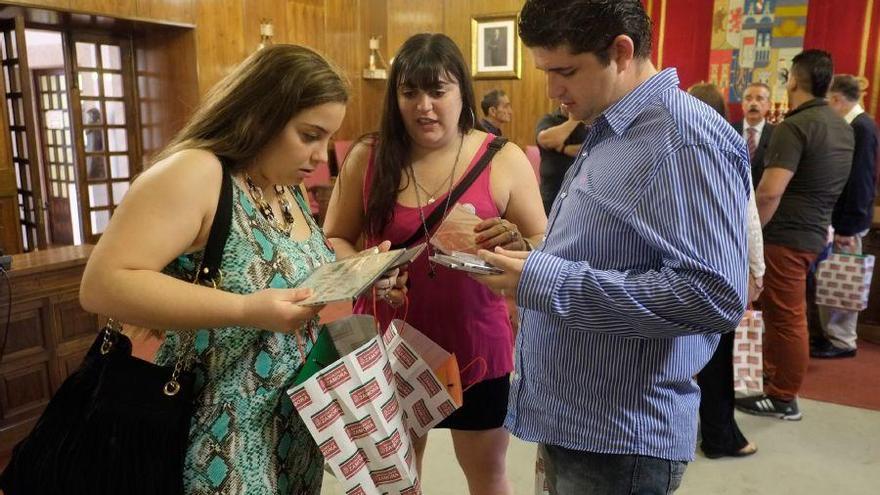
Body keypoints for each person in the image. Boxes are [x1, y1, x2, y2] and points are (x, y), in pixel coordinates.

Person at [473, 1, 749, 493]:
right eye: (546, 71)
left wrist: (544, 279)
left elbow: (714, 296)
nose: (553, 90)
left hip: (621, 437)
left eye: (565, 71)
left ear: (621, 51)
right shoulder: (610, 126)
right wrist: (533, 258)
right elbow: (614, 250)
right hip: (577, 421)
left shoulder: (682, 139)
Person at [79, 45, 353, 494]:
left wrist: (356, 274)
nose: (322, 155)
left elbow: (284, 275)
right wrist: (245, 310)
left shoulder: (285, 186)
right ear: (261, 115)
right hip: (217, 428)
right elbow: (103, 285)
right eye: (309, 135)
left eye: (327, 138)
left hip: (288, 426)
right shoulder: (197, 173)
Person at [323, 33, 546, 495]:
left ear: (461, 91)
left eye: (437, 91)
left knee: (488, 476)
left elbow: (543, 240)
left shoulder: (502, 157)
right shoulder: (369, 156)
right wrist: (368, 269)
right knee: (395, 478)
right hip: (389, 342)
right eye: (410, 92)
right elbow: (336, 237)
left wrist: (518, 240)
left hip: (476, 345)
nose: (424, 106)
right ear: (395, 97)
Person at [736, 50, 854, 420]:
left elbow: (770, 191)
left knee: (786, 317)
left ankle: (783, 396)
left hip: (786, 235)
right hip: (816, 231)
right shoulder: (841, 125)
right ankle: (777, 384)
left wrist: (746, 235)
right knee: (787, 314)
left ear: (792, 81)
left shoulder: (794, 125)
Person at [688, 82, 764, 459]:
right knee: (717, 357)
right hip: (720, 267)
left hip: (679, 266)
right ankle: (719, 435)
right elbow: (748, 216)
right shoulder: (729, 149)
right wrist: (756, 269)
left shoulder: (674, 149)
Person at [811, 74, 879, 359]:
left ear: (837, 99)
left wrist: (848, 228)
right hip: (842, 222)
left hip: (848, 225)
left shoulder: (860, 127)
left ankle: (842, 340)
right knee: (833, 281)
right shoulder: (857, 125)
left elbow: (861, 182)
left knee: (844, 281)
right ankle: (832, 336)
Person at [535, 104, 588, 214]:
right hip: (552, 192)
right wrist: (574, 120)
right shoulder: (550, 119)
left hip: (581, 193)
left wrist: (563, 148)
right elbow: (546, 140)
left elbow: (592, 149)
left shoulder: (588, 122)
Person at [733, 82, 775, 188]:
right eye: (748, 98)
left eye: (760, 98)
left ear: (769, 105)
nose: (753, 103)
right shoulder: (729, 130)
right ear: (742, 104)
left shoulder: (777, 134)